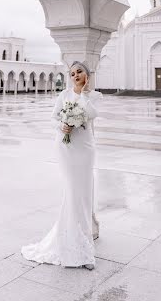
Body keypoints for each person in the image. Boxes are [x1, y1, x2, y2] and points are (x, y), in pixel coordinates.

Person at [21, 61, 102, 269]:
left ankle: (82, 247)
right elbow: (53, 118)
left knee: (83, 194)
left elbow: (92, 114)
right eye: (72, 73)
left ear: (87, 74)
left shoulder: (95, 96)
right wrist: (62, 125)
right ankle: (76, 248)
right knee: (73, 192)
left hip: (85, 149)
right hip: (66, 147)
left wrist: (83, 94)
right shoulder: (64, 95)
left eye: (79, 72)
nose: (75, 76)